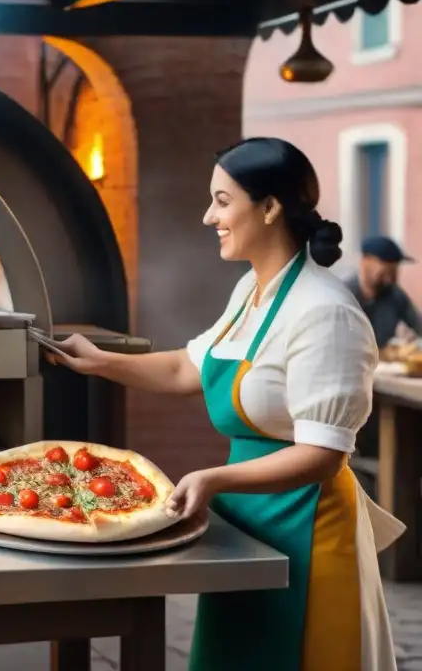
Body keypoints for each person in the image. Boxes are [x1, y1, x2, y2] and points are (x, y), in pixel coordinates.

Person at [46, 137, 404, 671]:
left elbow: (324, 454)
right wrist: (98, 362)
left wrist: (214, 479)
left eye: (222, 200)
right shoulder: (250, 292)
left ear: (270, 207)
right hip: (245, 521)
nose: (209, 215)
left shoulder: (325, 311)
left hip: (306, 527)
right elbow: (189, 367)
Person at [345, 235, 421, 349]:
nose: (389, 279)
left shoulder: (395, 296)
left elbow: (418, 325)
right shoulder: (342, 297)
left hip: (383, 364)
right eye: (384, 272)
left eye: (394, 272)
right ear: (364, 262)